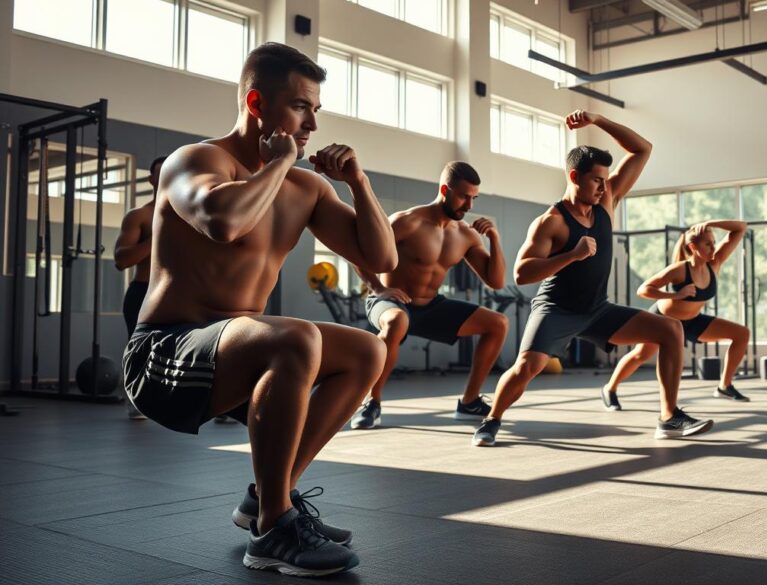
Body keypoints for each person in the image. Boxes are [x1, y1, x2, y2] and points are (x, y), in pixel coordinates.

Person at [120, 42, 398, 577]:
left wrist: (359, 184)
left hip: (233, 353)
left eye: (316, 108)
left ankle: (267, 497)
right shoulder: (194, 161)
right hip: (164, 355)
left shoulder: (307, 188)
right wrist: (282, 162)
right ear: (257, 103)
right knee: (294, 337)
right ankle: (273, 529)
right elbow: (223, 224)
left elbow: (382, 260)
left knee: (367, 349)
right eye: (300, 106)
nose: (313, 122)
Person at [471, 110, 713, 447]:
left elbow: (642, 149)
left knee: (670, 329)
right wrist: (571, 255)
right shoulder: (550, 222)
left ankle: (668, 417)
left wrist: (598, 121)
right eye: (597, 180)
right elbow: (522, 272)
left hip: (597, 310)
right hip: (557, 309)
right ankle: (490, 420)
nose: (604, 186)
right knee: (526, 368)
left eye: (605, 180)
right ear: (574, 176)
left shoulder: (606, 201)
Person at [352, 161, 508, 429]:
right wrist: (378, 288)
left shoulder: (466, 235)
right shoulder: (407, 221)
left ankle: (470, 401)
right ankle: (372, 402)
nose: (469, 206)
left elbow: (495, 281)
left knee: (498, 324)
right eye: (463, 196)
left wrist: (494, 239)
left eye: (474, 198)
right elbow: (360, 252)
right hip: (389, 301)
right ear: (445, 190)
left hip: (431, 306)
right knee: (397, 321)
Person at [602, 220, 751, 408]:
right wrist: (675, 294)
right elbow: (643, 289)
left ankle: (724, 385)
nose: (714, 247)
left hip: (692, 321)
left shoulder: (715, 263)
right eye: (708, 243)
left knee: (741, 333)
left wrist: (708, 223)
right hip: (663, 321)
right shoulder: (680, 269)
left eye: (714, 242)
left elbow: (740, 228)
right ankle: (610, 388)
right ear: (692, 247)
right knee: (640, 355)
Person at [114, 156, 163, 420]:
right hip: (144, 290)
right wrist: (159, 234)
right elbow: (122, 260)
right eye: (161, 173)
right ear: (152, 180)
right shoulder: (140, 216)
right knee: (139, 347)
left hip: (180, 292)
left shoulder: (191, 215)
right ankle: (136, 398)